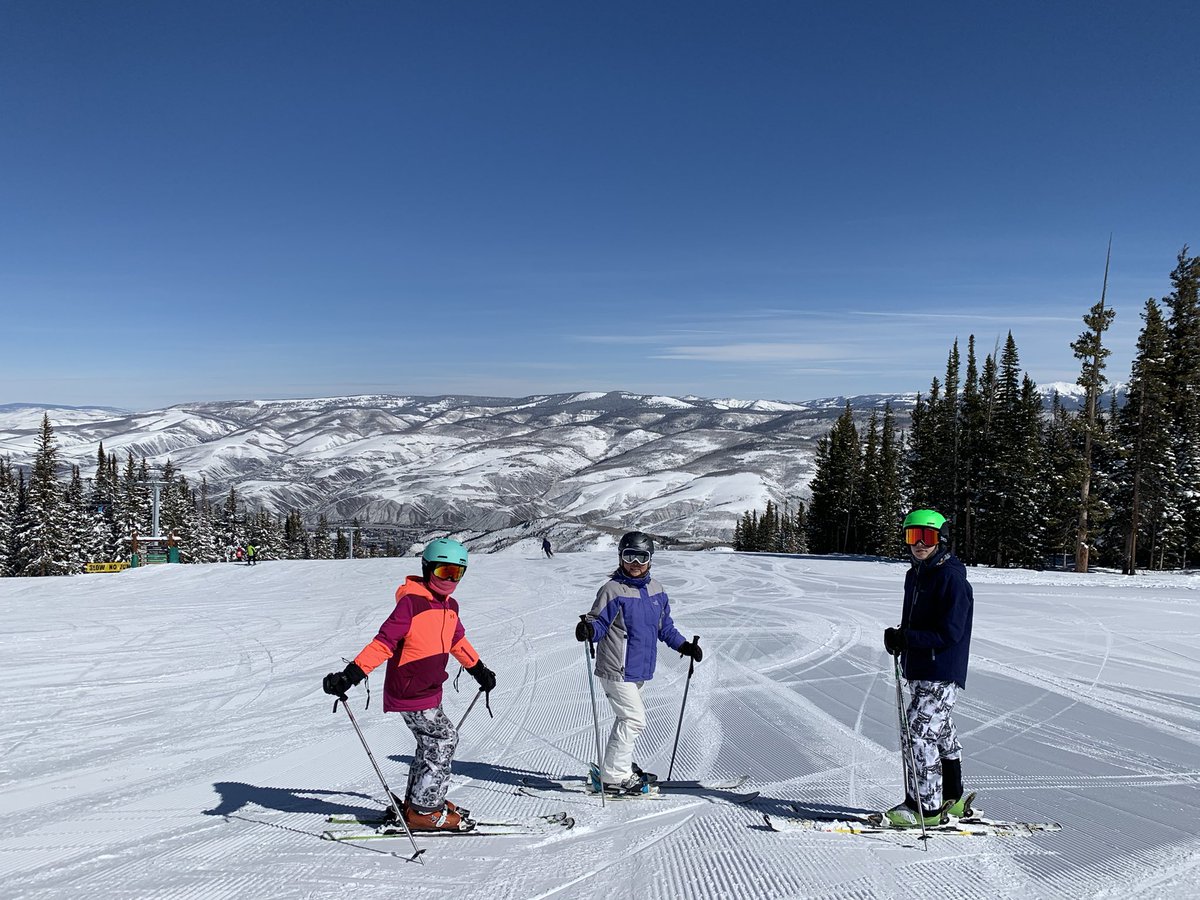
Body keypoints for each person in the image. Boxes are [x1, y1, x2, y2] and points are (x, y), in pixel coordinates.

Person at [322, 538, 497, 832]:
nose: (450, 580)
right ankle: (424, 810)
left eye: (457, 574)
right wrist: (351, 674)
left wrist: (478, 669)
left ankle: (421, 800)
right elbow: (384, 643)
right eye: (444, 572)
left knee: (429, 743)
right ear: (427, 568)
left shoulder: (449, 606)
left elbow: (457, 641)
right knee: (444, 740)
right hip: (409, 689)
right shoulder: (410, 604)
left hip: (429, 688)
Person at [575, 531, 702, 794]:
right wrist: (588, 630)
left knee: (625, 719)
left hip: (638, 669)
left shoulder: (657, 590)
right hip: (615, 668)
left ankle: (613, 766)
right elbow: (598, 623)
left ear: (650, 559)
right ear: (620, 558)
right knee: (634, 720)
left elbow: (664, 627)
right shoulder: (612, 590)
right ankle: (614, 777)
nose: (635, 563)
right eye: (628, 556)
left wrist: (684, 646)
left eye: (641, 557)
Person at [883, 509, 974, 828]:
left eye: (928, 537)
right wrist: (901, 637)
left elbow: (951, 632)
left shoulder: (950, 577)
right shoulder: (918, 574)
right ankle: (954, 797)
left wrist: (908, 638)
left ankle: (926, 809)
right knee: (940, 730)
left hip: (941, 669)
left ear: (942, 539)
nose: (919, 543)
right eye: (912, 536)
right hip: (920, 667)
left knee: (918, 733)